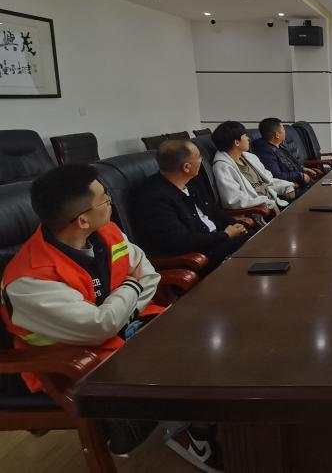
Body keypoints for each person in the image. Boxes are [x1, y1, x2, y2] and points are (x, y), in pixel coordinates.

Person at [0, 165, 223, 470]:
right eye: (105, 199)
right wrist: (130, 288)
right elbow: (100, 326)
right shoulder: (31, 279)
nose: (111, 203)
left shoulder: (106, 232)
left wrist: (118, 309)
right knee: (190, 358)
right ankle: (194, 435)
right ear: (82, 220)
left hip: (123, 333)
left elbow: (149, 275)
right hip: (73, 363)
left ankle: (211, 423)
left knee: (212, 333)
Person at [133, 140, 253, 275]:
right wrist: (225, 235)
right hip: (203, 256)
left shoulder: (191, 182)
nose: (202, 160)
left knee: (259, 236)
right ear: (186, 167)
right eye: (199, 156)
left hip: (219, 239)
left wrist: (236, 225)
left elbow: (213, 210)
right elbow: (180, 241)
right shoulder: (153, 199)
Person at [210, 121, 295, 213]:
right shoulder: (222, 167)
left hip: (276, 202)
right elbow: (234, 200)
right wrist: (266, 203)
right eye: (245, 136)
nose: (248, 138)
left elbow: (268, 181)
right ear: (237, 142)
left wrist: (286, 186)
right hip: (259, 213)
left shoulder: (250, 157)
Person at [250, 117, 322, 191]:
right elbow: (277, 175)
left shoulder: (279, 144)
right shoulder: (266, 151)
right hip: (293, 186)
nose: (285, 132)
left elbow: (290, 163)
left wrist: (304, 169)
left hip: (300, 180)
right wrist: (300, 176)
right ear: (277, 135)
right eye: (283, 129)